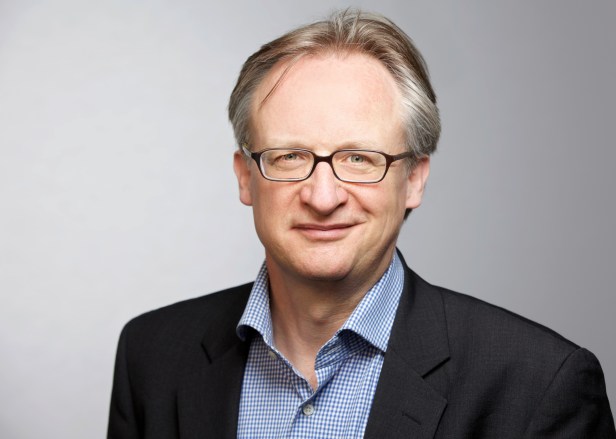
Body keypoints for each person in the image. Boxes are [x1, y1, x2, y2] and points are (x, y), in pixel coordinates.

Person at [107, 9, 615, 439]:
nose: (323, 197)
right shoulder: (151, 356)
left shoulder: (540, 385)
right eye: (289, 156)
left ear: (414, 179)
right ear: (246, 177)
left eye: (359, 158)